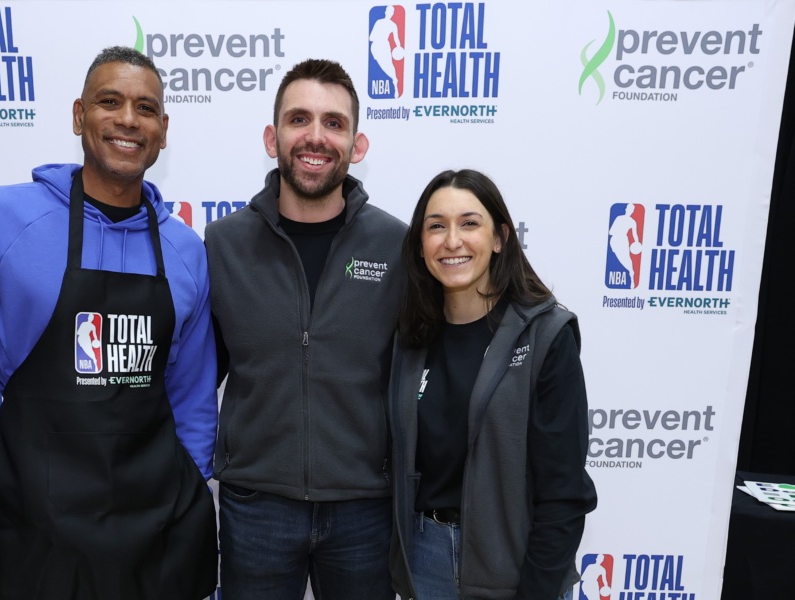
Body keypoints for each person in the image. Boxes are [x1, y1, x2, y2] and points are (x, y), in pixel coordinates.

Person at [0, 46, 218, 600]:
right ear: (79, 115)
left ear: (163, 129)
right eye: (111, 102)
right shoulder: (1, 219)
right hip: (36, 529)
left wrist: (193, 499)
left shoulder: (184, 249)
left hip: (154, 533)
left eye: (146, 108)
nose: (129, 120)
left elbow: (193, 399)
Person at [204, 58, 406, 600]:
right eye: (299, 119)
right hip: (255, 507)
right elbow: (196, 375)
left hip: (365, 509)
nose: (315, 136)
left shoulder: (397, 246)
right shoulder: (221, 244)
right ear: (273, 138)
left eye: (334, 123)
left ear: (357, 145)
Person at [388, 169, 598, 600]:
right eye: (436, 226)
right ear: (421, 245)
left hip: (512, 569)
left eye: (469, 223)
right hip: (422, 564)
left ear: (500, 237)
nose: (452, 241)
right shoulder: (410, 337)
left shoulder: (545, 335)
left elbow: (563, 492)